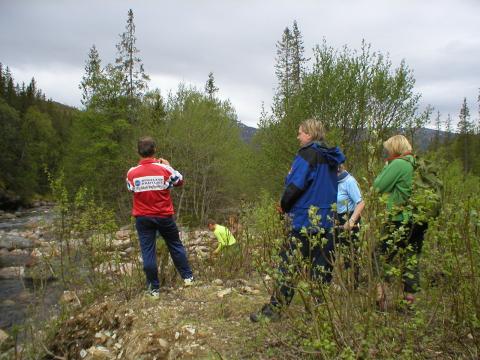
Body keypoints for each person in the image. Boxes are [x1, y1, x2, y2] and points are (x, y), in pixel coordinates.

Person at [250, 118, 345, 322]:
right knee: (321, 271)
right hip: (327, 221)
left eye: (300, 132)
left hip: (304, 221)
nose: (298, 136)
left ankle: (274, 311)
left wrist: (283, 207)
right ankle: (319, 315)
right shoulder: (331, 157)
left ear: (309, 135)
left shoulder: (307, 155)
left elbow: (295, 186)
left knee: (288, 266)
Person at [126, 136, 194, 298]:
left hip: (143, 218)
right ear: (154, 150)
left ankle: (154, 289)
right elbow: (179, 181)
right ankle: (188, 278)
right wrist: (169, 166)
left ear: (138, 152)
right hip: (164, 215)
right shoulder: (164, 169)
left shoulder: (132, 173)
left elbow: (131, 188)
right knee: (175, 245)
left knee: (148, 251)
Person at [373, 134, 427, 306]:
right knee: (411, 258)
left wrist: (386, 167)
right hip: (419, 219)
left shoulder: (398, 164)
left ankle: (382, 300)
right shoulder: (417, 164)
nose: (387, 152)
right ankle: (409, 302)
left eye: (388, 149)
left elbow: (377, 187)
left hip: (399, 219)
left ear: (394, 149)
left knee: (381, 257)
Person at [336, 164, 365, 285]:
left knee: (350, 254)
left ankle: (353, 285)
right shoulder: (331, 182)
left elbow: (360, 202)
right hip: (335, 218)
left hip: (349, 219)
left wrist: (352, 220)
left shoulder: (349, 181)